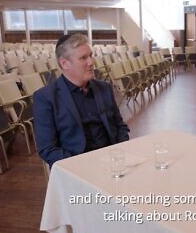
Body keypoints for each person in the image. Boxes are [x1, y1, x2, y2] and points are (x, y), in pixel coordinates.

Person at [33, 34, 130, 168]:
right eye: (83, 58)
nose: (91, 62)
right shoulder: (45, 98)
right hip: (77, 167)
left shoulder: (104, 88)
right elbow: (48, 149)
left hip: (113, 161)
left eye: (90, 55)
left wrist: (120, 152)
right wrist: (83, 166)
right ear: (65, 63)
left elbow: (120, 126)